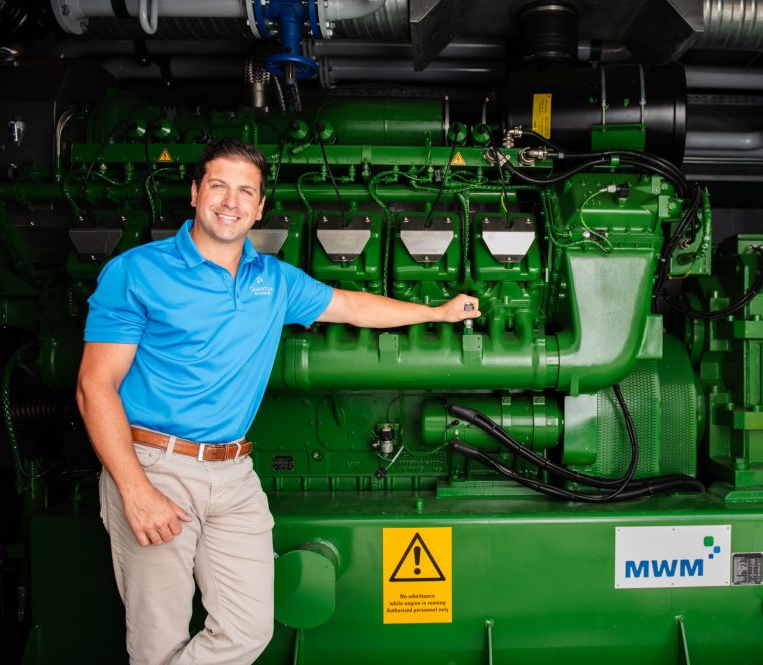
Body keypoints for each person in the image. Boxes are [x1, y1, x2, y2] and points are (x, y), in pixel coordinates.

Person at [75, 137, 479, 665]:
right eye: (218, 186)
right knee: (157, 644)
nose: (231, 201)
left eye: (246, 191)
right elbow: (94, 386)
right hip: (156, 466)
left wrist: (437, 314)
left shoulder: (274, 279)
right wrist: (134, 488)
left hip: (232, 473)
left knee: (248, 631)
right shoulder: (138, 272)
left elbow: (353, 306)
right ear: (196, 194)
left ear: (260, 207)